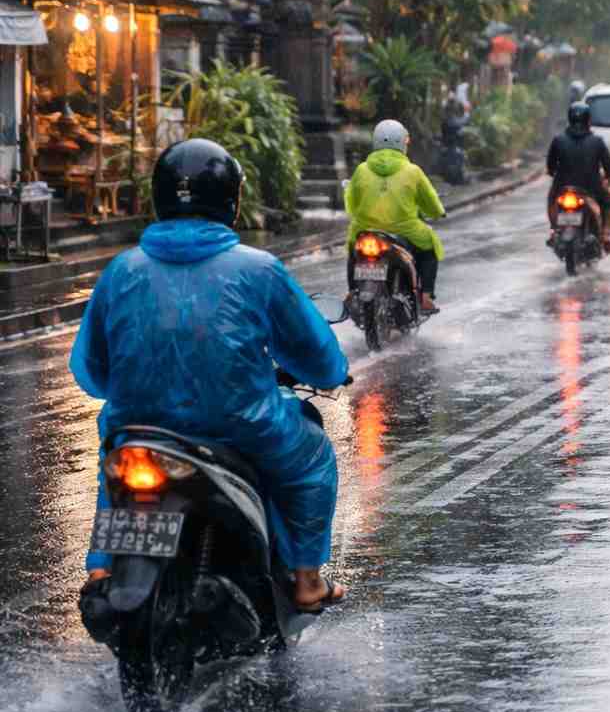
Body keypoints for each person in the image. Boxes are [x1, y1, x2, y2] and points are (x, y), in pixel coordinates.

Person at [71, 139, 350, 613]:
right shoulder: (259, 270)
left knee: (117, 461)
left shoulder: (121, 271)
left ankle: (101, 568)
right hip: (243, 430)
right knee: (313, 458)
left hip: (140, 427)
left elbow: (92, 372)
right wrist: (332, 372)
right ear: (232, 201)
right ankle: (306, 580)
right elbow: (317, 357)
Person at [345, 119, 446, 312]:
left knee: (354, 250)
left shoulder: (361, 169)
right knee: (429, 250)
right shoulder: (413, 171)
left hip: (366, 230)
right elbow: (431, 202)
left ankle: (351, 293)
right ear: (402, 143)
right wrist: (438, 212)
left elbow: (351, 203)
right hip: (404, 231)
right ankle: (425, 297)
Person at [546, 102, 610, 252]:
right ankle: (605, 237)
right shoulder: (597, 142)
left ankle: (554, 230)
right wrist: (608, 179)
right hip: (592, 188)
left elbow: (550, 167)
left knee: (551, 199)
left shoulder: (558, 140)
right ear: (588, 120)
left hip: (562, 187)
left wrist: (556, 175)